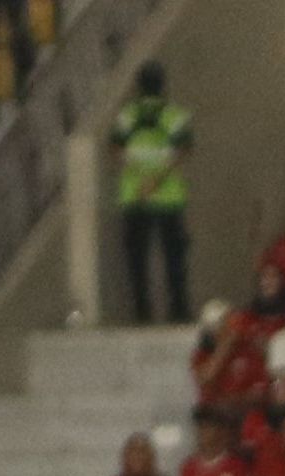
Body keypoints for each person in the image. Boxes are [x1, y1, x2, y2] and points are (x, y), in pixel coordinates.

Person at [116, 65, 197, 324]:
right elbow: (183, 149)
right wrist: (157, 179)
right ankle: (179, 310)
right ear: (163, 85)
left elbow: (115, 148)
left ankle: (142, 311)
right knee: (174, 255)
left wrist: (140, 179)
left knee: (137, 258)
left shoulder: (127, 115)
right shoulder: (174, 115)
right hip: (168, 197)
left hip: (135, 196)